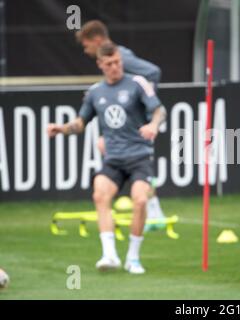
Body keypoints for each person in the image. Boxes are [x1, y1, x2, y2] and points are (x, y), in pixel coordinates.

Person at [47, 42, 166, 274]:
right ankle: (109, 255)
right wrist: (61, 129)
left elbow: (160, 110)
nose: (115, 67)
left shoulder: (137, 83)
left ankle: (133, 257)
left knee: (140, 200)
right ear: (100, 64)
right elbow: (81, 123)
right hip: (113, 159)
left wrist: (153, 124)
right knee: (100, 194)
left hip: (139, 156)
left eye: (118, 62)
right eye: (109, 64)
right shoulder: (95, 92)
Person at [76, 20, 167, 228]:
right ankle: (153, 209)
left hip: (138, 120)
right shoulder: (114, 58)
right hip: (128, 121)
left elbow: (153, 72)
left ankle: (152, 210)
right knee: (134, 164)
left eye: (86, 45)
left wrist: (144, 100)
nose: (85, 50)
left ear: (96, 40)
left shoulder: (121, 57)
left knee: (136, 161)